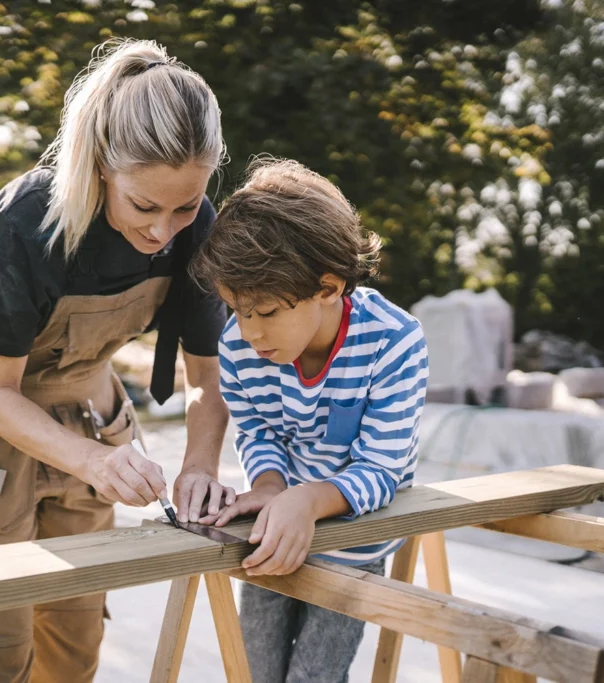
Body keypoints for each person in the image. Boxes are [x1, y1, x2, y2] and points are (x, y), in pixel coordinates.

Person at [0, 39, 234, 683]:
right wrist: (95, 461)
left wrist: (199, 467)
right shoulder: (28, 219)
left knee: (75, 636)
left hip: (91, 404)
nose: (162, 232)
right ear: (98, 168)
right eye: (144, 206)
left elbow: (209, 380)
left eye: (184, 206)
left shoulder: (195, 226)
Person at [191, 158, 429, 683]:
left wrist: (307, 499)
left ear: (328, 286)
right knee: (254, 670)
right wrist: (273, 486)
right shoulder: (238, 345)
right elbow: (258, 430)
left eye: (267, 312)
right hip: (276, 528)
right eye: (237, 309)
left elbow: (383, 469)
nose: (250, 332)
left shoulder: (394, 341)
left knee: (314, 678)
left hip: (356, 539)